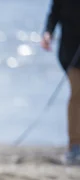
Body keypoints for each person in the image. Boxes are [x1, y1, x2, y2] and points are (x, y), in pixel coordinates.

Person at [41, 0, 80, 164]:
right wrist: (47, 33)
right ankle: (74, 146)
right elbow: (54, 14)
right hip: (70, 51)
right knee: (77, 93)